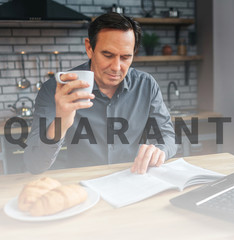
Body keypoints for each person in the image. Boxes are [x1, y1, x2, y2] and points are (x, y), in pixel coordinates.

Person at [23, 13, 177, 174]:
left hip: (132, 180)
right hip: (82, 185)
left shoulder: (146, 85)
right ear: (89, 48)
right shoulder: (56, 89)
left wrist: (161, 150)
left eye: (125, 57)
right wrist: (61, 121)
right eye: (108, 55)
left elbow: (168, 136)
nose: (116, 67)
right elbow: (34, 164)